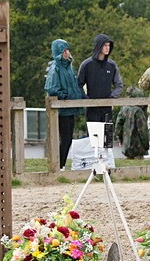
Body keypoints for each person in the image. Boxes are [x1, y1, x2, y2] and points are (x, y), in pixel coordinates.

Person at [43, 39, 86, 168]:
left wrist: (80, 96)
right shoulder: (55, 68)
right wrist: (65, 96)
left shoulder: (68, 67)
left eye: (67, 50)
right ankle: (59, 166)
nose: (67, 53)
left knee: (68, 139)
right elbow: (52, 88)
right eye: (64, 51)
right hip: (61, 110)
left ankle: (61, 165)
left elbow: (73, 85)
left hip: (69, 108)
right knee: (65, 139)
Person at [76, 33, 123, 124]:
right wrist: (86, 98)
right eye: (105, 45)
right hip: (92, 108)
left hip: (107, 108)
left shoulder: (112, 65)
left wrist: (112, 97)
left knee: (107, 136)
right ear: (99, 46)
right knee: (94, 136)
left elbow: (119, 85)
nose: (107, 48)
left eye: (109, 45)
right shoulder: (86, 65)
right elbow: (78, 84)